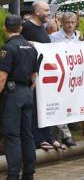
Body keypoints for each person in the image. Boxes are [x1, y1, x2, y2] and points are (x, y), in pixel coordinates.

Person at [0, 15, 38, 180]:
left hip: (13, 93)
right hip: (27, 93)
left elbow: (2, 77)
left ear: (4, 28)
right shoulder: (31, 47)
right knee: (27, 134)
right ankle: (29, 174)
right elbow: (34, 76)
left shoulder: (7, 48)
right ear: (20, 28)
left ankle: (13, 175)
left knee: (12, 135)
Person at [21, 1, 63, 150]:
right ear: (37, 12)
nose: (49, 13)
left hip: (46, 77)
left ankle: (48, 137)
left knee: (46, 107)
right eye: (45, 10)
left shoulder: (43, 28)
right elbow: (23, 47)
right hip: (35, 76)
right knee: (36, 108)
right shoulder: (27, 27)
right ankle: (39, 139)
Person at [49, 12, 80, 147]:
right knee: (59, 106)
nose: (70, 25)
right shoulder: (54, 37)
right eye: (67, 22)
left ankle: (57, 137)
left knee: (66, 107)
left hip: (72, 78)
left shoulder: (77, 36)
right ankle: (66, 136)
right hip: (58, 77)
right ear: (62, 22)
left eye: (73, 22)